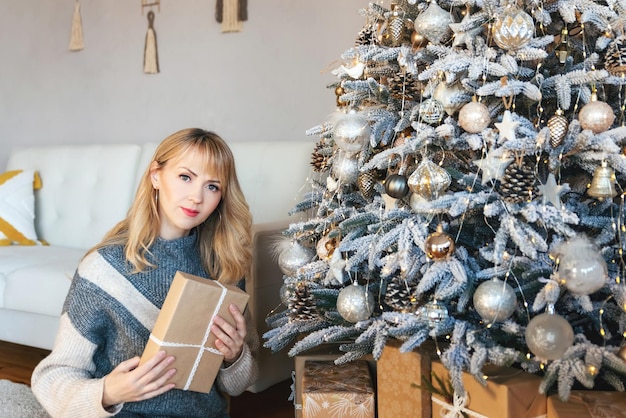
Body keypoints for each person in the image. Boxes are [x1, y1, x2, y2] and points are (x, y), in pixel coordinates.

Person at [32, 128, 258, 417]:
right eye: (185, 177)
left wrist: (235, 356)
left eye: (212, 186)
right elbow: (51, 376)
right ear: (156, 175)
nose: (196, 197)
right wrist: (110, 392)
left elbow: (240, 385)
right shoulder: (105, 268)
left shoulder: (224, 265)